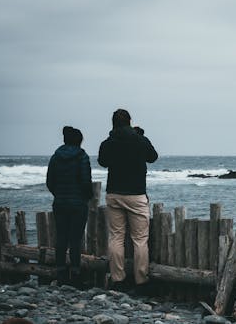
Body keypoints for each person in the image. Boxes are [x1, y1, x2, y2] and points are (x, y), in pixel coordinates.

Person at [98, 109, 158, 291]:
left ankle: (118, 279)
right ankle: (141, 279)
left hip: (114, 193)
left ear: (113, 123)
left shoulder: (108, 142)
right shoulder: (139, 140)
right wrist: (140, 136)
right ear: (130, 122)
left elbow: (102, 161)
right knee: (140, 239)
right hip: (136, 194)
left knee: (116, 237)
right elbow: (153, 157)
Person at [46, 126, 93, 287]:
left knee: (61, 237)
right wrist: (86, 197)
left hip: (60, 203)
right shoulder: (82, 157)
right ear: (79, 141)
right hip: (78, 204)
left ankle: (60, 273)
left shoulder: (55, 157)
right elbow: (86, 183)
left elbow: (50, 182)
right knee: (75, 239)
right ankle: (75, 274)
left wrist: (59, 194)